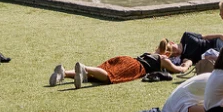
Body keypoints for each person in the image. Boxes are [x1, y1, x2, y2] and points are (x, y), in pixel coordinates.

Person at [56, 39, 195, 88]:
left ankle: (64, 73)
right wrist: (187, 63)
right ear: (167, 54)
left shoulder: (150, 53)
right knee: (109, 76)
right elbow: (179, 70)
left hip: (127, 59)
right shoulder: (164, 60)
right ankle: (84, 67)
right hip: (135, 67)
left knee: (96, 73)